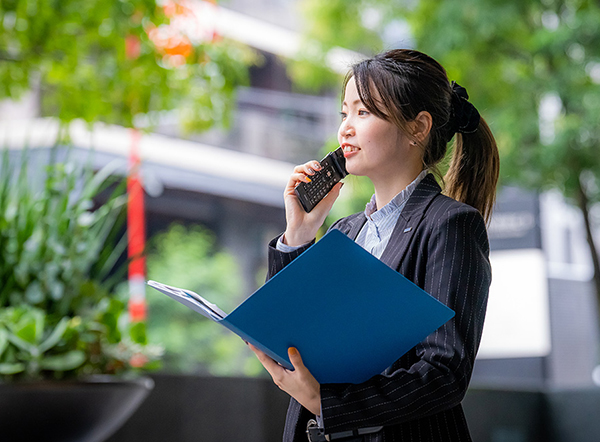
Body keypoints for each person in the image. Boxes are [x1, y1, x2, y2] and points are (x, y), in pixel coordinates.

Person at [248, 48, 499, 442]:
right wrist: (298, 232)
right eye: (343, 113)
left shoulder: (450, 225)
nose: (345, 128)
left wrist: (328, 403)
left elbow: (445, 371)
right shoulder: (344, 233)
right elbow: (292, 332)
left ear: (418, 128)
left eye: (362, 112)